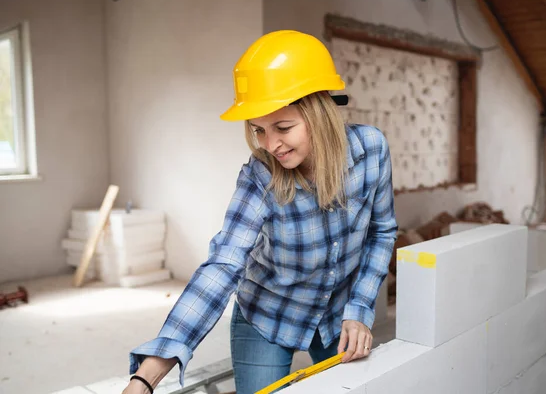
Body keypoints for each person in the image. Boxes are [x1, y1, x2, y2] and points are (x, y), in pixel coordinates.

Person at [123, 29, 398, 394]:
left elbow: (381, 232)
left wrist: (361, 306)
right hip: (267, 314)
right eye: (258, 130)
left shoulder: (372, 150)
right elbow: (223, 266)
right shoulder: (259, 176)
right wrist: (146, 376)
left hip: (338, 312)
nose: (271, 145)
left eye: (283, 127)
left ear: (320, 112)